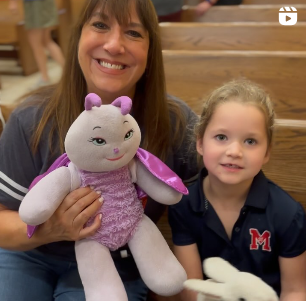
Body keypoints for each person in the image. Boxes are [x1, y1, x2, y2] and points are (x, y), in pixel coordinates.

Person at [0, 0, 199, 300]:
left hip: (117, 264)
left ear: (151, 50)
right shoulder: (31, 117)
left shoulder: (176, 123)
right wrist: (52, 228)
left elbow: (199, 218)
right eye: (100, 25)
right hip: (31, 256)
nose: (114, 45)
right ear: (79, 35)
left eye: (133, 32)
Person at [169, 79, 306, 301]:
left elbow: (295, 291)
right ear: (200, 143)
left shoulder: (288, 214)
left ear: (267, 152)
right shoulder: (184, 205)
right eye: (221, 137)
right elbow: (191, 289)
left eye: (250, 141)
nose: (234, 151)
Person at [8, 0, 65, 89]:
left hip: (34, 5)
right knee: (47, 41)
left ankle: (45, 78)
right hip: (46, 4)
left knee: (36, 43)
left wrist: (13, 2)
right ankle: (67, 70)